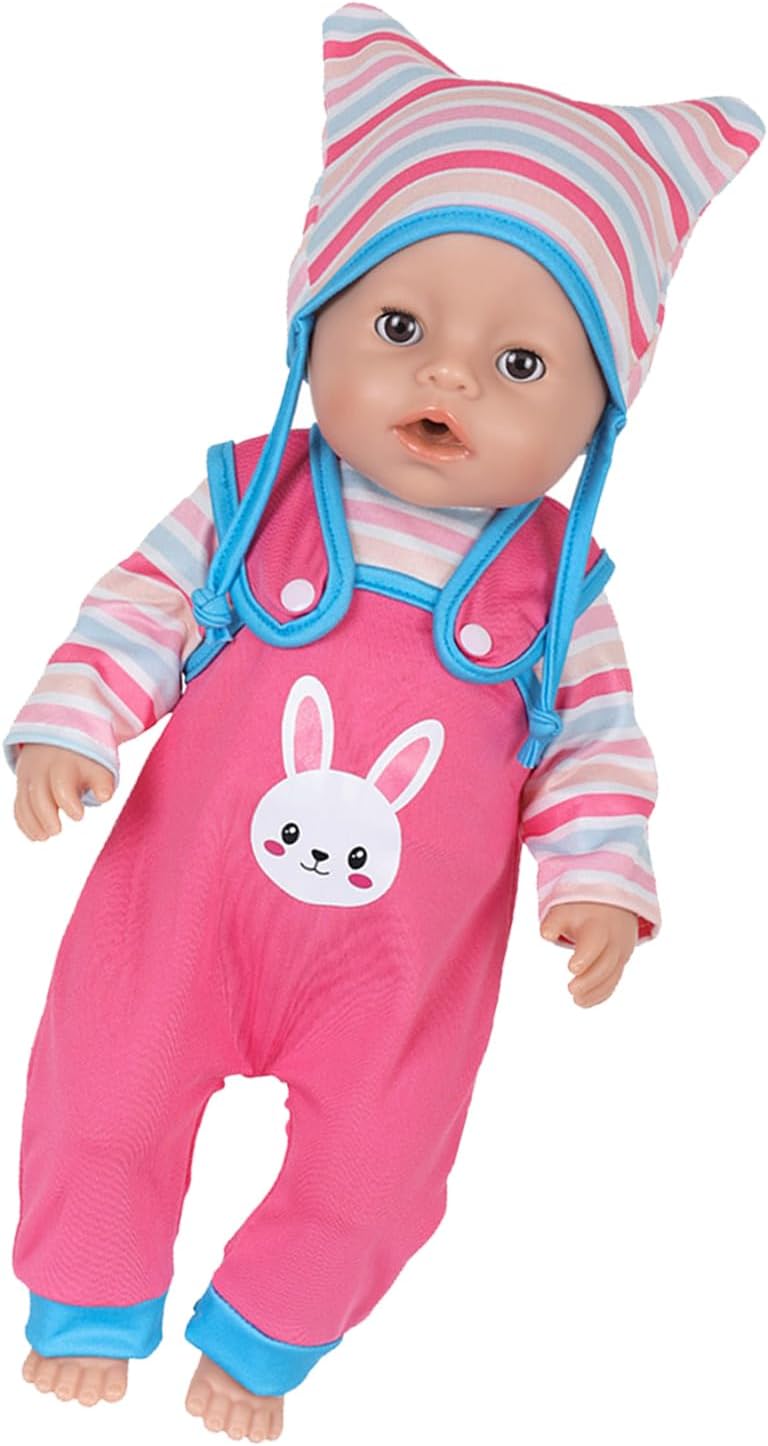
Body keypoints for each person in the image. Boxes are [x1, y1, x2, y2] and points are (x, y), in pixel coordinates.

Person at [5, 5, 762, 1440]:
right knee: (102, 1092)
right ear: (314, 325)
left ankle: (265, 1337)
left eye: (522, 364)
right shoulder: (253, 501)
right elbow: (137, 612)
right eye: (399, 327)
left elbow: (597, 750)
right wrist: (73, 726)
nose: (448, 376)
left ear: (602, 413)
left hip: (399, 973)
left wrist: (600, 882)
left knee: (379, 1170)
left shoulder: (558, 591)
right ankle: (86, 1295)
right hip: (177, 913)